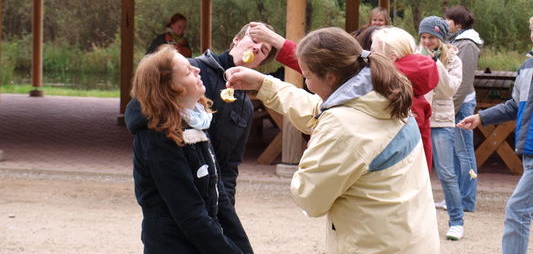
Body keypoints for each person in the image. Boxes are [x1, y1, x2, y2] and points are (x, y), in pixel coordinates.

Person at [226, 27, 439, 254]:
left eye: (306, 76)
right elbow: (319, 110)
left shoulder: (342, 128)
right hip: (410, 237)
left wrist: (314, 147)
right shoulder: (380, 94)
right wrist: (264, 85)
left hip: (375, 246)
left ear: (330, 77)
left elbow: (310, 198)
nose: (306, 83)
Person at [124, 45, 254, 253]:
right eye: (187, 71)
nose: (197, 70)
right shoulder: (158, 137)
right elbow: (189, 214)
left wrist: (244, 249)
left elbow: (220, 198)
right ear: (169, 88)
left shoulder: (196, 120)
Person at [458, 16, 533, 254]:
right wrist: (481, 118)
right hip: (528, 151)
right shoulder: (527, 67)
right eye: (532, 29)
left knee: (517, 210)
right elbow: (514, 106)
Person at [189, 22, 276, 205]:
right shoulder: (192, 71)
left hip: (212, 193)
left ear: (260, 62)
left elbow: (230, 166)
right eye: (254, 40)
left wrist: (227, 210)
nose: (257, 48)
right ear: (236, 40)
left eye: (264, 50)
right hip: (180, 183)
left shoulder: (246, 107)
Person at [418, 15, 464, 240]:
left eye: (432, 37)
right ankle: (417, 222)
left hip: (442, 121)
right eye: (424, 37)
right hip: (418, 119)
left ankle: (456, 221)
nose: (427, 42)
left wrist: (435, 63)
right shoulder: (415, 55)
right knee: (416, 172)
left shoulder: (453, 59)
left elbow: (449, 90)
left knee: (446, 173)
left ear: (441, 38)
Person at [371, 26, 439, 171]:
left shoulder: (394, 92)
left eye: (374, 51)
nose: (369, 56)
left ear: (391, 57)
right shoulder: (412, 88)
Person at [444, 5, 483, 213]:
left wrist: (451, 107)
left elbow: (464, 81)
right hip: (457, 102)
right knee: (455, 152)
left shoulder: (467, 44)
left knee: (464, 152)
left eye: (448, 19)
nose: (445, 22)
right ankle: (456, 197)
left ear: (457, 23)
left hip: (462, 103)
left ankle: (466, 200)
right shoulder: (457, 40)